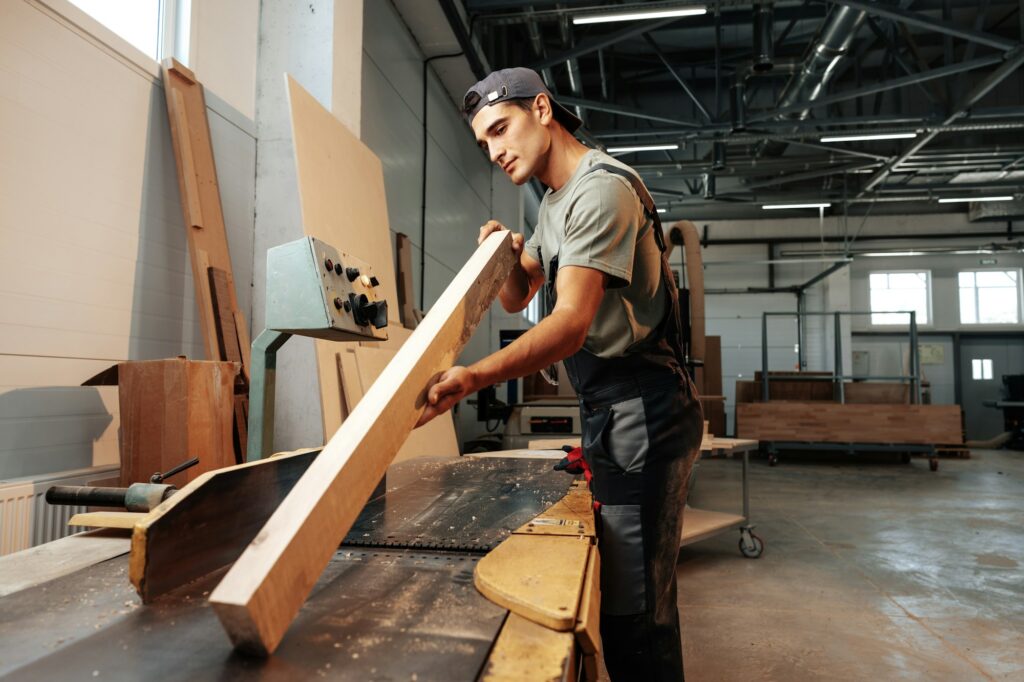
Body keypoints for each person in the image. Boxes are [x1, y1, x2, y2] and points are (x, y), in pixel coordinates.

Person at [416, 67, 704, 681]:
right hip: (611, 407)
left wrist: (474, 377)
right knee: (627, 591)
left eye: (501, 129)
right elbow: (520, 298)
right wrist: (498, 258)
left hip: (644, 409)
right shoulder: (553, 202)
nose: (494, 151)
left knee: (636, 606)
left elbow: (570, 324)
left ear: (542, 109)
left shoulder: (601, 191)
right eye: (483, 143)